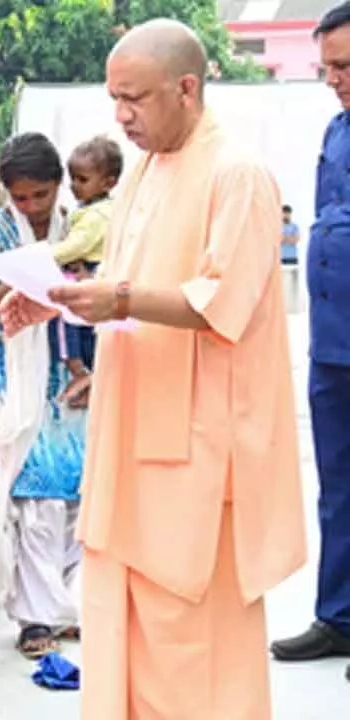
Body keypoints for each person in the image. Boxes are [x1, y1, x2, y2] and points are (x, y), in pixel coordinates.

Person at [3, 20, 306, 717]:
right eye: (114, 98)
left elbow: (218, 301)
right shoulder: (142, 170)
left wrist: (117, 298)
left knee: (189, 628)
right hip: (131, 423)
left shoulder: (237, 173)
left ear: (186, 89)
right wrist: (56, 302)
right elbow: (124, 287)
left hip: (198, 437)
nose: (121, 116)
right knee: (124, 609)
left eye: (134, 98)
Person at [0, 134, 88, 659]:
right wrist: (21, 286)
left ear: (59, 186)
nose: (32, 207)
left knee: (77, 494)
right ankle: (34, 618)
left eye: (41, 195)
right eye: (21, 197)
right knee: (32, 496)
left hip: (76, 371)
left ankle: (68, 607)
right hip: (17, 377)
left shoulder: (80, 225)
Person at [272, 2, 350, 670]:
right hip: (333, 343)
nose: (334, 79)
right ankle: (339, 617)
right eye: (327, 67)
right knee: (338, 487)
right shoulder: (337, 129)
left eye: (345, 66)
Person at [57, 136, 124, 383]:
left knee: (65, 314)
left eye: (82, 179)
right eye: (72, 178)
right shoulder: (89, 208)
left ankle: (76, 365)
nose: (75, 185)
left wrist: (44, 256)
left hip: (90, 270)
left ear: (109, 182)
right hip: (89, 269)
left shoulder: (98, 214)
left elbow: (77, 245)